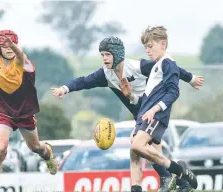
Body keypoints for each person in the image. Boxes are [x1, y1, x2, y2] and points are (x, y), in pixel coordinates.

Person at [51, 36, 203, 191]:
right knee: (141, 149)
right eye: (102, 54)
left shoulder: (137, 66)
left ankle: (172, 176)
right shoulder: (106, 74)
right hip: (139, 113)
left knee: (139, 146)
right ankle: (181, 183)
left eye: (107, 54)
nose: (104, 58)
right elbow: (83, 81)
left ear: (117, 54)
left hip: (152, 110)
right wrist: (65, 88)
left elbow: (170, 68)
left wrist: (190, 78)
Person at [0, 8, 58, 192]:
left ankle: (48, 154)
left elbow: (20, 54)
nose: (8, 49)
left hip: (25, 114)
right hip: (5, 113)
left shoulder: (21, 61)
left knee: (35, 148)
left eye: (11, 45)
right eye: (5, 46)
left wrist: (14, 46)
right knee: (0, 149)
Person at [129, 26, 198, 192]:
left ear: (162, 43)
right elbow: (150, 95)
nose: (147, 50)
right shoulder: (157, 65)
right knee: (134, 148)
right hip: (145, 115)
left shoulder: (168, 62)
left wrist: (155, 109)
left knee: (138, 145)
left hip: (156, 115)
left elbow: (174, 91)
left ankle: (178, 171)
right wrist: (132, 96)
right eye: (145, 47)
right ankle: (137, 188)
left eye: (150, 46)